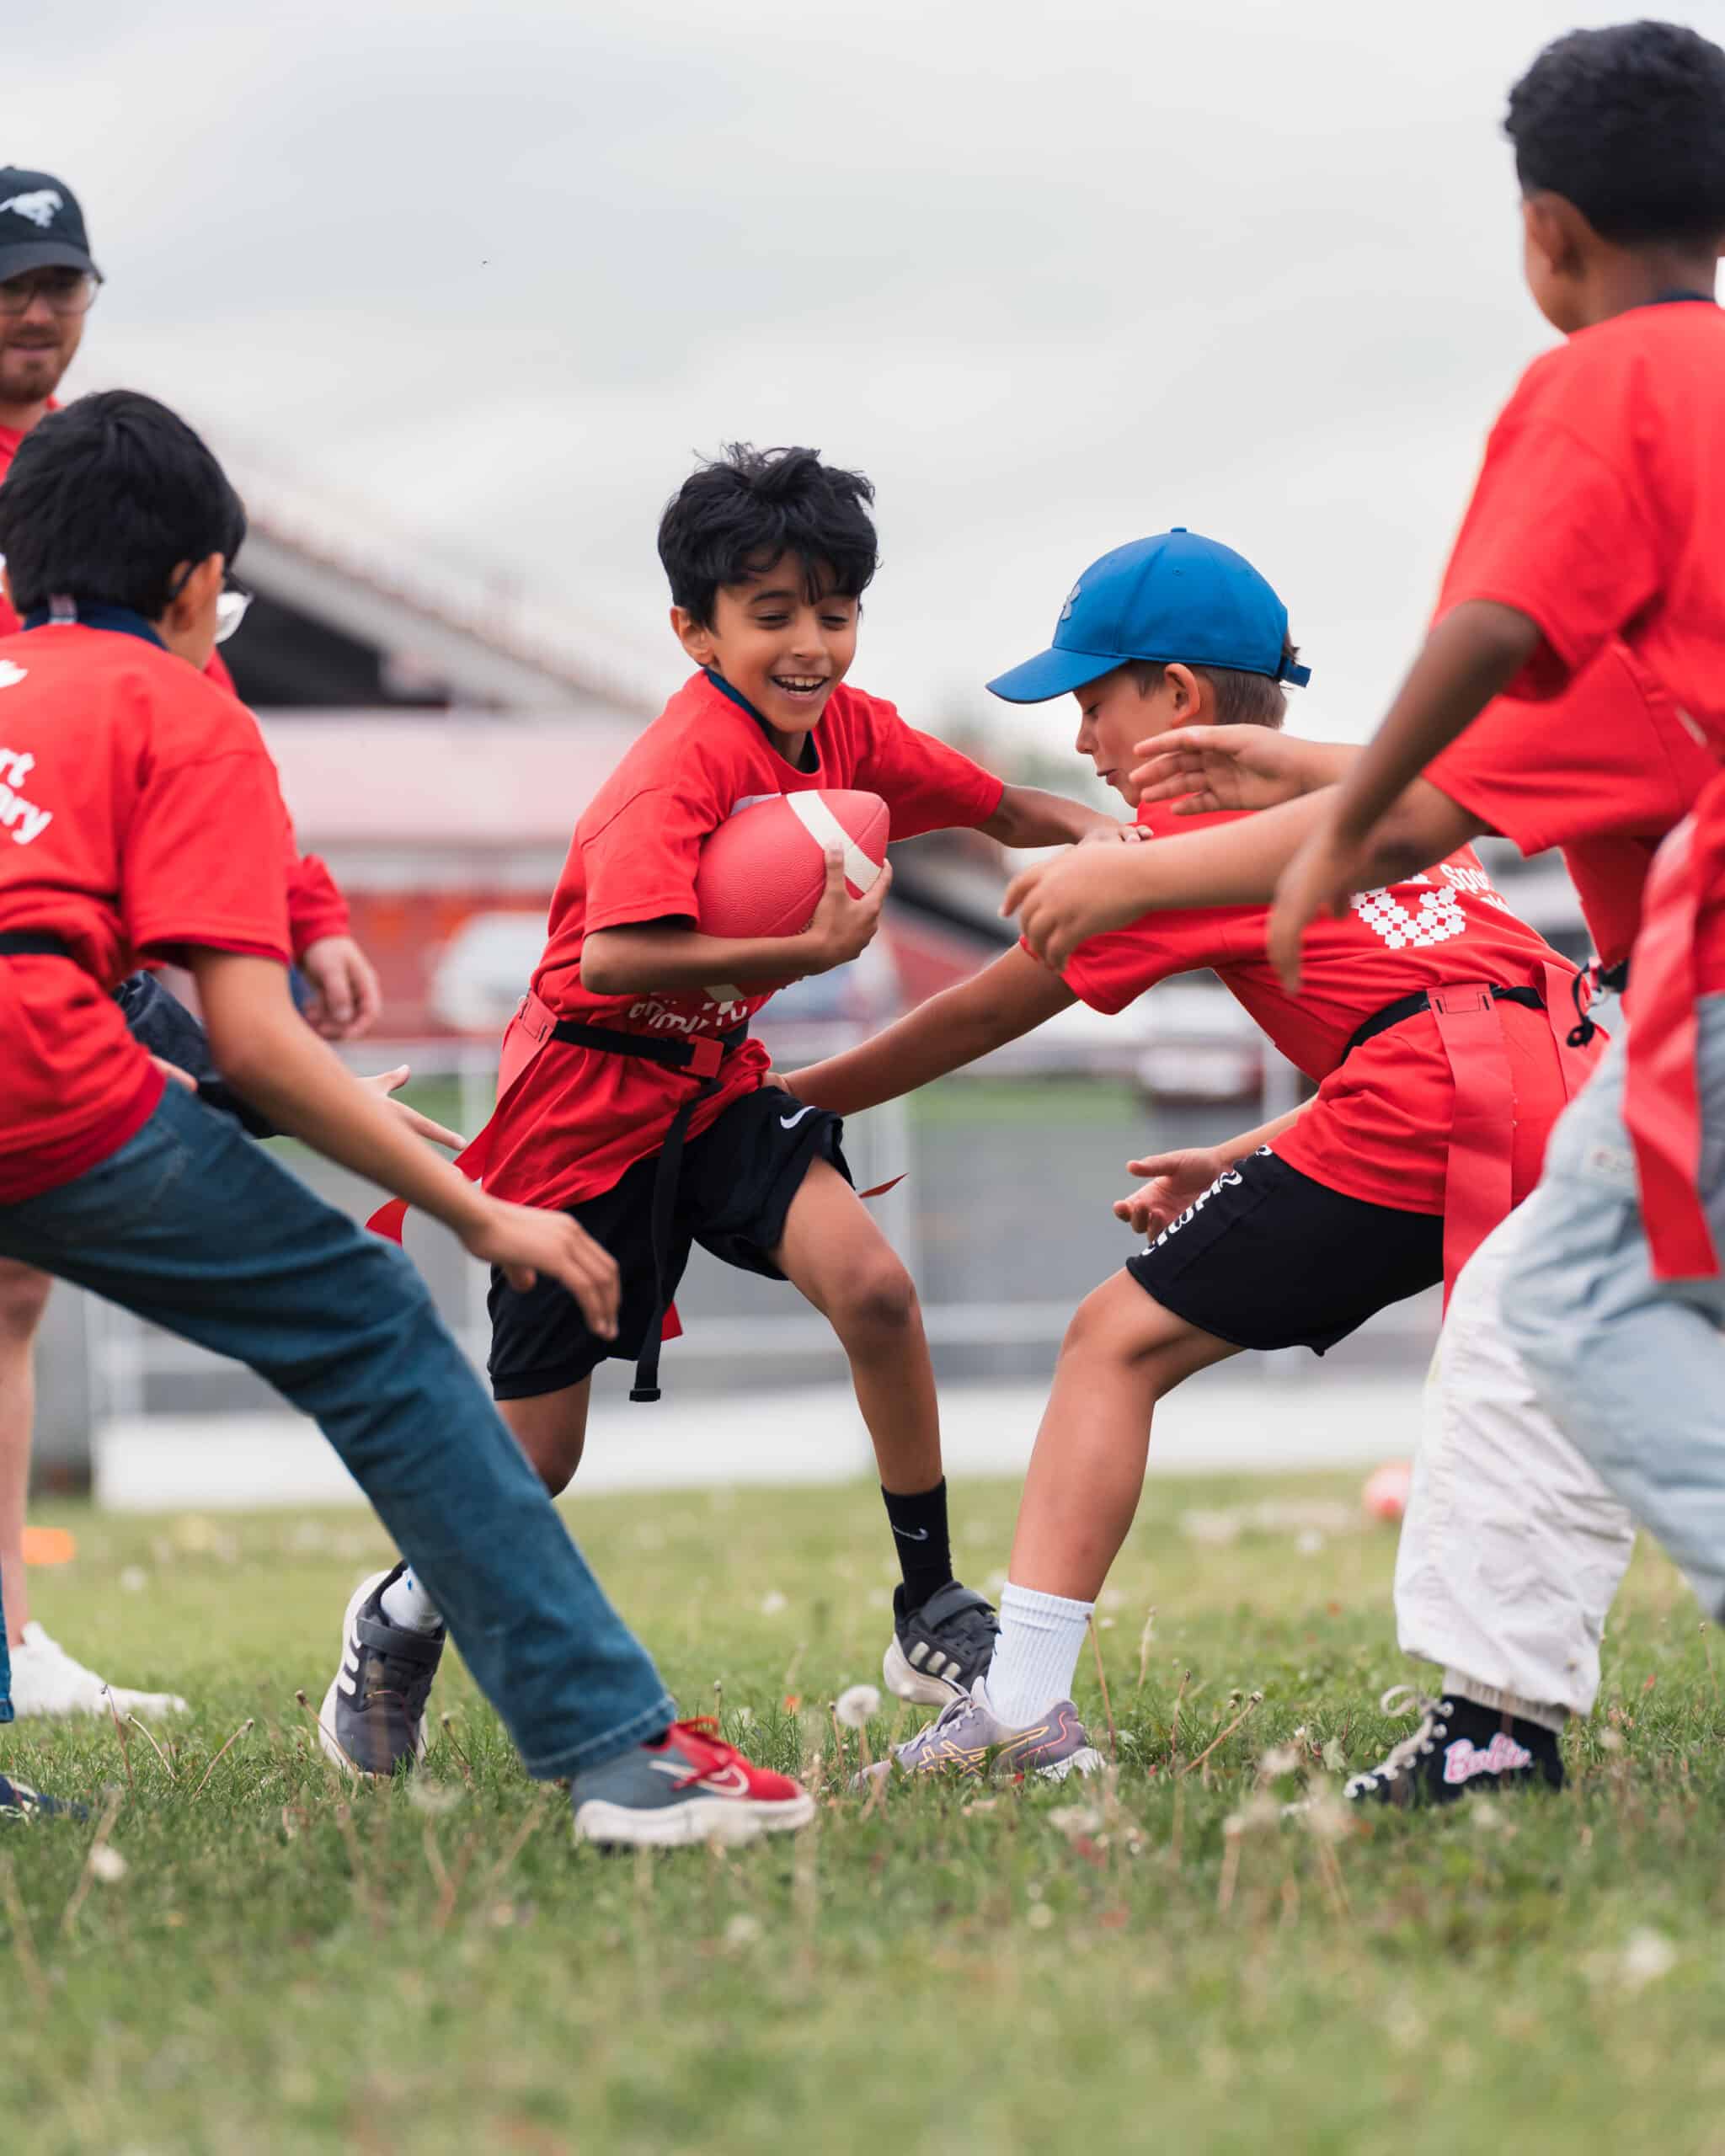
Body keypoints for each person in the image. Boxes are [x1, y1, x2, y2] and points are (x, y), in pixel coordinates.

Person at [0, 387, 810, 1847]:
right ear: (195, 586)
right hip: (41, 1084)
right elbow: (254, 1041)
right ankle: (620, 1754)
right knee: (371, 1325)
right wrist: (481, 1212)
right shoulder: (179, 704)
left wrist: (219, 1067)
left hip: (55, 1055)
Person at [342, 443, 1116, 1775]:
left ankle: (930, 1604)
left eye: (835, 611)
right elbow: (612, 962)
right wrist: (803, 956)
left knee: (876, 1290)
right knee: (537, 1463)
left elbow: (990, 803)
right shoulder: (678, 767)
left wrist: (1095, 832)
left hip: (711, 1091)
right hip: (578, 1109)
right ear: (694, 631)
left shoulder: (849, 728)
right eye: (772, 615)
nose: (811, 644)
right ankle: (401, 1614)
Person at [773, 530, 1594, 1784]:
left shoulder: (1187, 831)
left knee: (1114, 1343)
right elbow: (1465, 1017)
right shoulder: (1381, 796)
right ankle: (1499, 1723)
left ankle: (1020, 1706)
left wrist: (787, 1100)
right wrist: (1256, 1152)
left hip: (1432, 1096)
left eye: (1093, 701)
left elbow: (988, 1011)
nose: (1083, 741)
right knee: (1578, 1403)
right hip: (1572, 1083)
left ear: (1177, 695)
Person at [1252, 20, 1725, 1666]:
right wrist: (1338, 779)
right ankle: (1491, 1710)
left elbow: (1495, 624)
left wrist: (1338, 821)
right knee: (1559, 1307)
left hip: (1707, 977)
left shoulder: (1604, 382)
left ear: (1548, 231)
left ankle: (1492, 1709)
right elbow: (1556, 746)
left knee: (1572, 1305)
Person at [1111, 635, 1713, 1801]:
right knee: (1529, 1330)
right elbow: (1461, 780)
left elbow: (1414, 812)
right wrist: (1283, 765)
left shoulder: (1641, 667)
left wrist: (1122, 878)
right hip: (1655, 1036)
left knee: (1539, 1329)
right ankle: (1496, 1731)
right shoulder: (1647, 677)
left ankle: (1496, 1733)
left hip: (1697, 1029)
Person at [0, 167, 383, 1719]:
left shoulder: (104, 485)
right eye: (10, 283)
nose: (35, 310)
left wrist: (307, 910)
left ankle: (9, 1644)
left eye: (60, 282)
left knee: (14, 1295)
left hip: (57, 951)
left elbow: (194, 713)